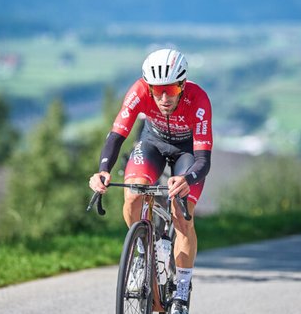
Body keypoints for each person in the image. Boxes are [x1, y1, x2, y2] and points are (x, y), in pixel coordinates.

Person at [89, 48, 212, 314]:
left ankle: (180, 292)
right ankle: (140, 253)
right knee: (133, 192)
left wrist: (187, 179)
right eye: (157, 90)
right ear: (148, 86)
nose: (164, 97)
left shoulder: (199, 100)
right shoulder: (139, 91)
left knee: (182, 215)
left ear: (182, 84)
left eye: (171, 89)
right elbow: (116, 135)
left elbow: (203, 161)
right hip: (153, 143)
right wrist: (103, 169)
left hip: (188, 152)